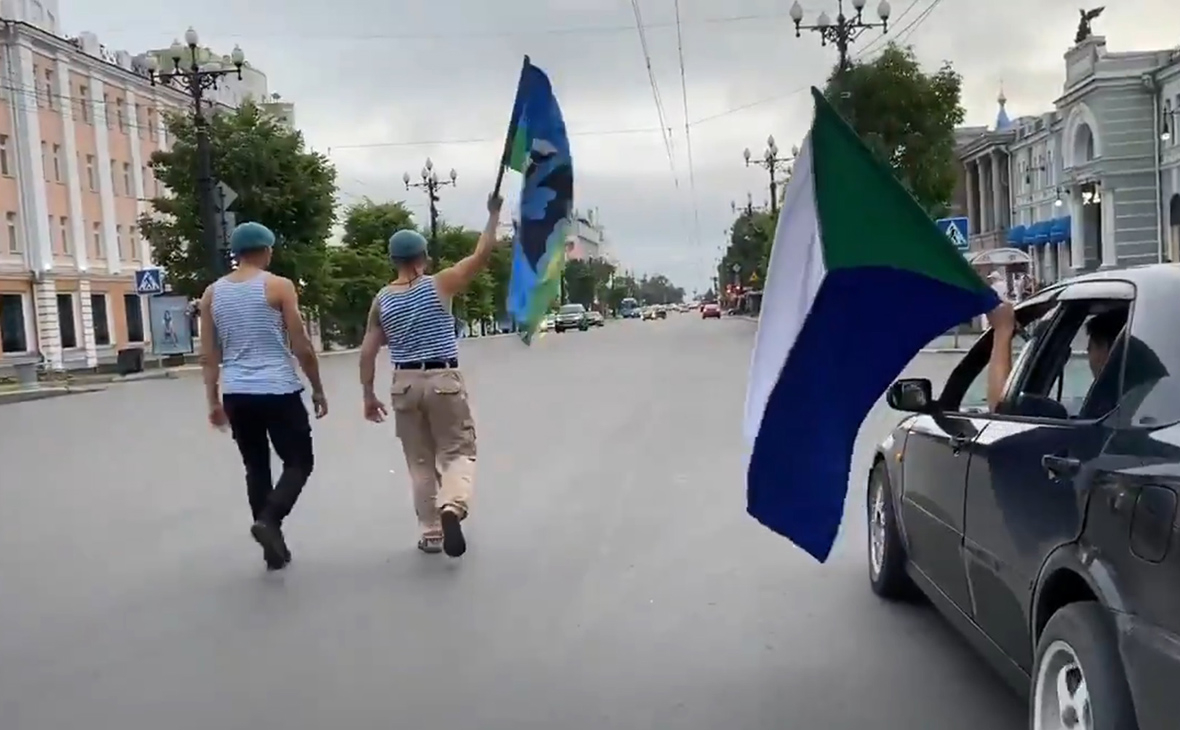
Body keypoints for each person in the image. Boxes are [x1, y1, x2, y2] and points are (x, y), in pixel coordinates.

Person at [359, 193, 504, 557]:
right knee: (457, 451)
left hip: (404, 384)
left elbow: (368, 349)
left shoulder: (383, 299)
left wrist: (367, 394)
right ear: (423, 256)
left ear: (393, 260)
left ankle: (430, 532)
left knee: (420, 462)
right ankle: (452, 507)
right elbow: (481, 255)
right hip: (442, 378)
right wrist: (493, 215)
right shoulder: (440, 284)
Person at [199, 222, 328, 571]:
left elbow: (209, 354)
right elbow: (300, 344)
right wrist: (316, 387)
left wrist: (212, 399)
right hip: (278, 390)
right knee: (300, 462)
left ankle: (272, 547)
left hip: (237, 393)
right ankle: (270, 521)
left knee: (256, 466)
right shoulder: (278, 286)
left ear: (237, 254)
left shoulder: (212, 293)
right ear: (267, 250)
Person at [985, 301, 1127, 413]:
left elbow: (1001, 413)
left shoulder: (1104, 410)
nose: (1088, 351)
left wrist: (1003, 330)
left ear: (1108, 349)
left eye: (1091, 347)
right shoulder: (1136, 401)